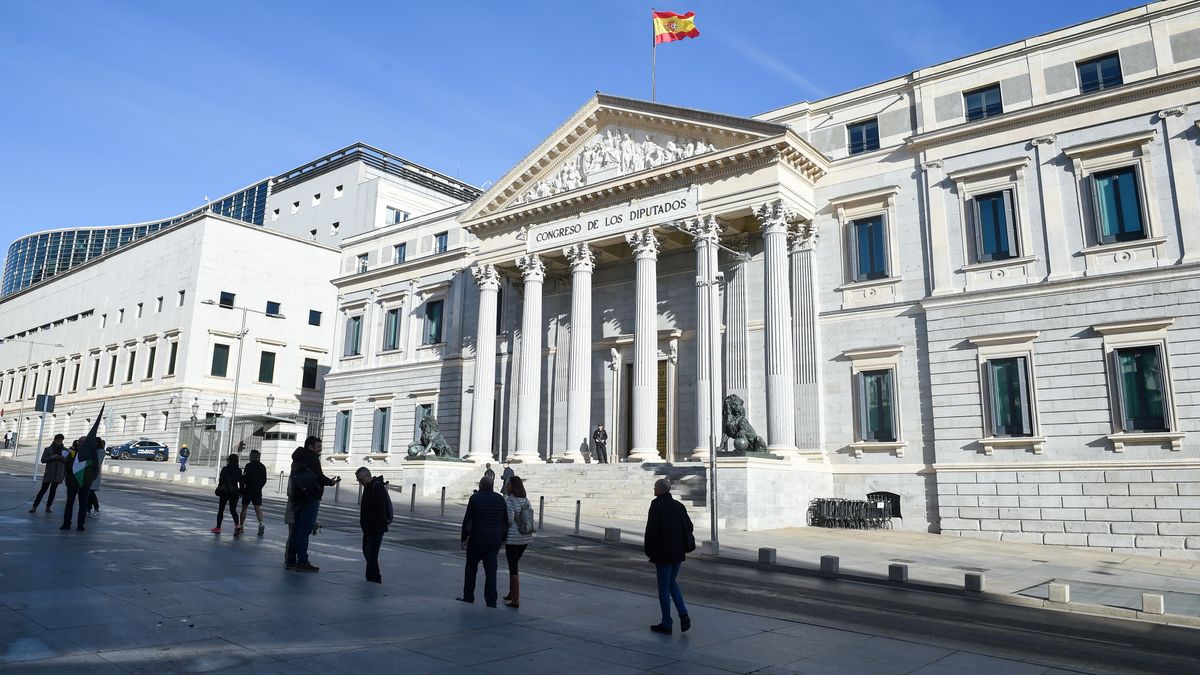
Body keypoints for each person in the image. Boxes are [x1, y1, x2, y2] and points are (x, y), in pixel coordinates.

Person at [644, 478, 693, 635]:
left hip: (662, 553)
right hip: (677, 552)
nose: (653, 489)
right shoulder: (679, 506)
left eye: (655, 487)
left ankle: (667, 623)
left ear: (660, 489)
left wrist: (649, 549)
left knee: (663, 589)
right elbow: (689, 527)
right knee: (671, 582)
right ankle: (683, 614)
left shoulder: (656, 505)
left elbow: (651, 530)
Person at [285, 436, 340, 572]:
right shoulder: (312, 458)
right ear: (310, 446)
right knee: (304, 530)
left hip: (298, 497)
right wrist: (330, 482)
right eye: (318, 446)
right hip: (311, 497)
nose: (320, 449)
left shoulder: (297, 458)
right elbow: (319, 477)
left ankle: (291, 560)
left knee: (296, 531)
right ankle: (302, 561)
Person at [458, 475, 508, 607]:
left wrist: (464, 538)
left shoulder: (475, 498)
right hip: (493, 542)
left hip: (477, 540)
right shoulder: (500, 499)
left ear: (480, 485)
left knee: (471, 569)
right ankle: (491, 602)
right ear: (492, 486)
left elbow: (468, 520)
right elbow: (505, 522)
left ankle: (468, 597)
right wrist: (503, 539)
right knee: (491, 572)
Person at [356, 466, 392, 583]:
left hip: (376, 527)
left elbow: (380, 508)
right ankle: (373, 576)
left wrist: (375, 523)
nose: (360, 482)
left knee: (371, 553)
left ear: (367, 476)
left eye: (360, 479)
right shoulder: (368, 487)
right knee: (367, 551)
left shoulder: (377, 487)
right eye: (358, 480)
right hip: (368, 527)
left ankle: (374, 577)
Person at [503, 475, 534, 608]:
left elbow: (509, 520)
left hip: (513, 539)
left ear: (513, 486)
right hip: (525, 537)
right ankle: (511, 593)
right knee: (514, 564)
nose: (506, 485)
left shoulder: (510, 501)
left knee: (513, 567)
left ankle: (515, 599)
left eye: (508, 484)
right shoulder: (526, 500)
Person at [31, 434, 67, 512]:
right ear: (55, 440)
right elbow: (43, 460)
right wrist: (53, 457)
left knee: (53, 491)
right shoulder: (48, 449)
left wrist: (62, 458)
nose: (59, 442)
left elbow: (68, 461)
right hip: (49, 473)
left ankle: (48, 507)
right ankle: (34, 506)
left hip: (58, 473)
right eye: (58, 441)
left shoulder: (65, 450)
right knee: (43, 490)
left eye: (61, 441)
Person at [238, 449, 268, 536]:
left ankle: (241, 526)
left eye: (250, 455)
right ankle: (261, 523)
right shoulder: (262, 467)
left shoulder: (248, 466)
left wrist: (241, 489)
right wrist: (259, 487)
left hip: (248, 490)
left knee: (244, 508)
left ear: (252, 456)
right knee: (257, 508)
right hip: (258, 490)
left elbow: (244, 478)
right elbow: (264, 480)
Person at [212, 453, 242, 534]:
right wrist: (241, 492)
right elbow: (241, 482)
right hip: (234, 492)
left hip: (225, 492)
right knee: (233, 510)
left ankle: (218, 528)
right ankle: (237, 526)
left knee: (221, 510)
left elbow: (221, 480)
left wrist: (220, 487)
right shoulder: (239, 470)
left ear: (229, 460)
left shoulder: (225, 469)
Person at [87, 441, 105, 514]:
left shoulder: (100, 451)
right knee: (90, 491)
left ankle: (95, 507)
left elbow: (97, 462)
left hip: (94, 473)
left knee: (90, 491)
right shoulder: (96, 450)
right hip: (91, 472)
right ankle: (90, 507)